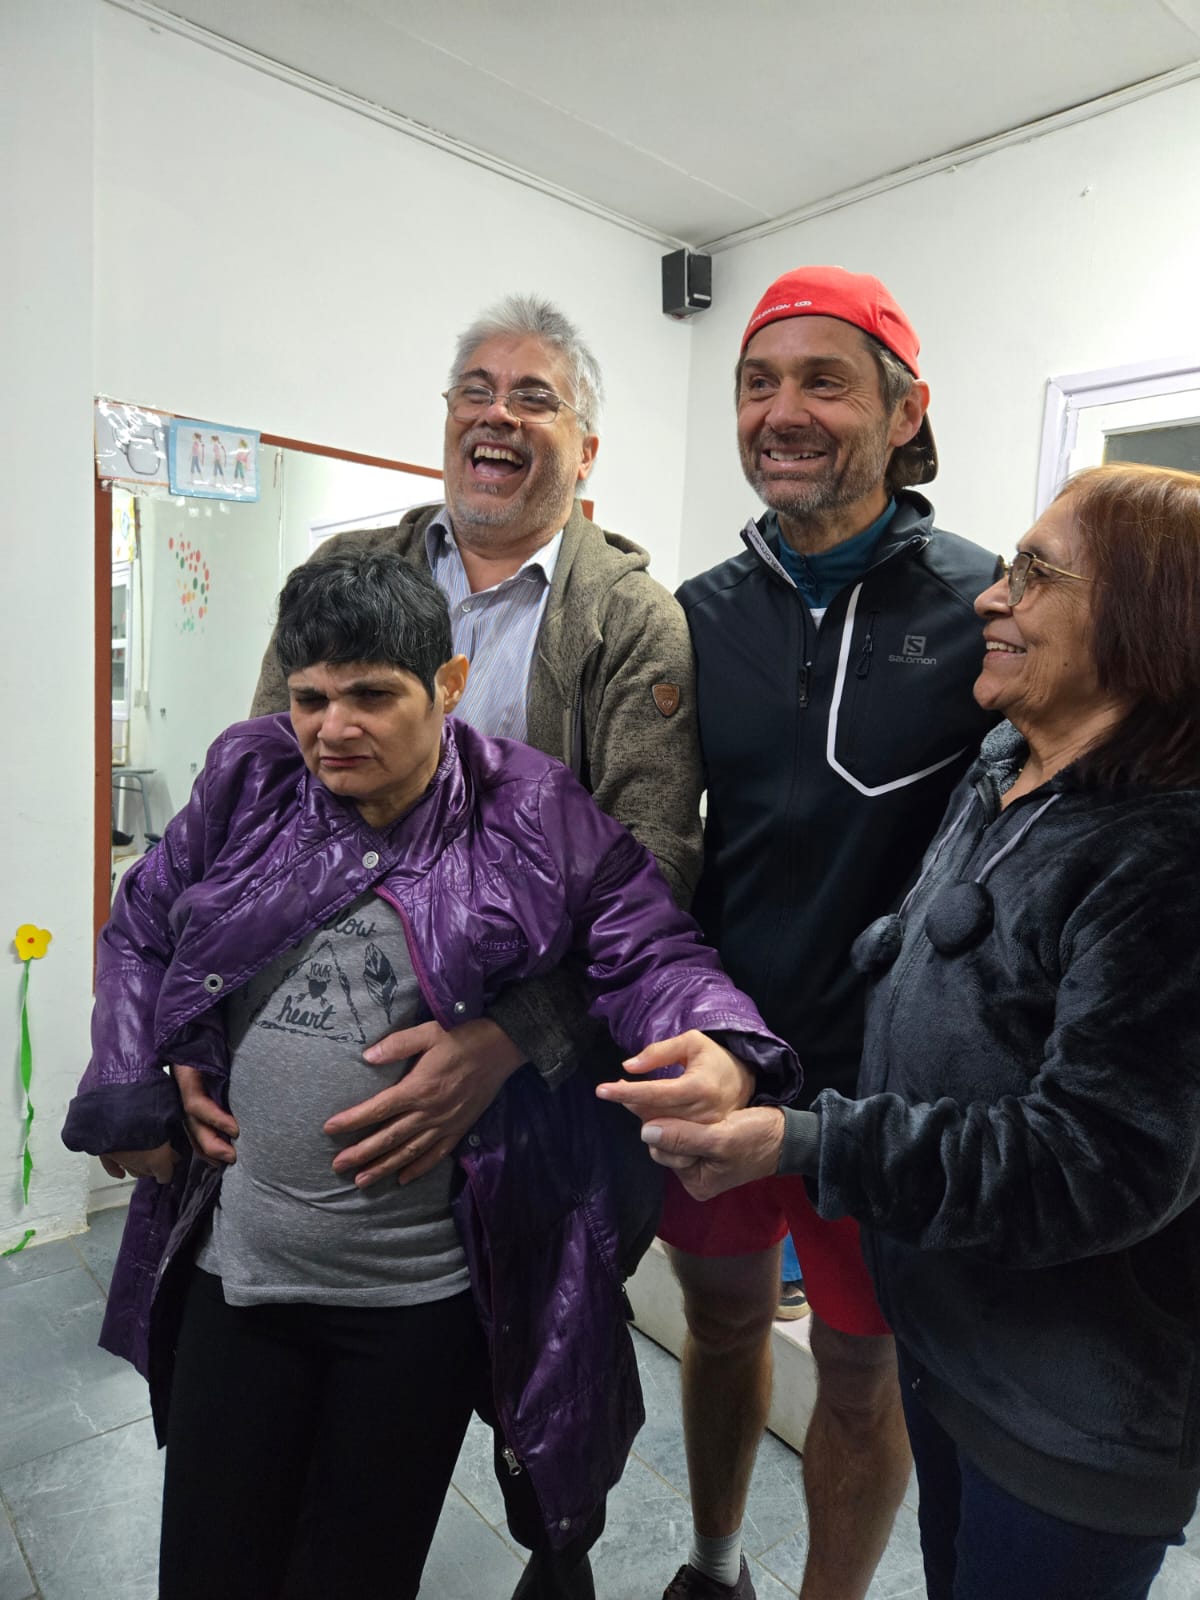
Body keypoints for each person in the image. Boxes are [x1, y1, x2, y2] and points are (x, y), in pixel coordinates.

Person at [62, 551, 798, 1600]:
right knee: (210, 1565)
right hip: (242, 1270)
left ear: (448, 685)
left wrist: (716, 1040)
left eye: (371, 696)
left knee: (358, 1573)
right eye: (311, 698)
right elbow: (143, 920)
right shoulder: (252, 777)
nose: (333, 729)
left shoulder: (531, 811)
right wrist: (136, 1078)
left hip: (415, 1303)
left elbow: (649, 947)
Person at [615, 462, 1200, 1600]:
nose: (993, 595)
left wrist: (805, 1136)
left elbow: (1099, 1165)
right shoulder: (1009, 767)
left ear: (1148, 617)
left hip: (1071, 1411)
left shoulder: (1167, 857)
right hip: (958, 1350)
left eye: (1037, 575)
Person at [245, 296, 702, 1596]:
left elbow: (650, 869)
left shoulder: (632, 621)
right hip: (339, 1053)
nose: (498, 416)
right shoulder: (352, 567)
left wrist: (505, 1040)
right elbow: (258, 792)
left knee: (546, 1378)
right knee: (325, 1404)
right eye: (476, 391)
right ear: (448, 417)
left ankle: (558, 1552)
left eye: (535, 396)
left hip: (540, 1089)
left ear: (586, 446)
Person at [652, 266, 999, 1599]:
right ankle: (713, 1564)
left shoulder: (987, 608)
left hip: (888, 1094)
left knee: (860, 1373)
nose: (780, 410)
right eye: (757, 381)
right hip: (719, 1058)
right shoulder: (693, 615)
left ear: (905, 412)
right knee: (723, 1320)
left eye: (822, 381)